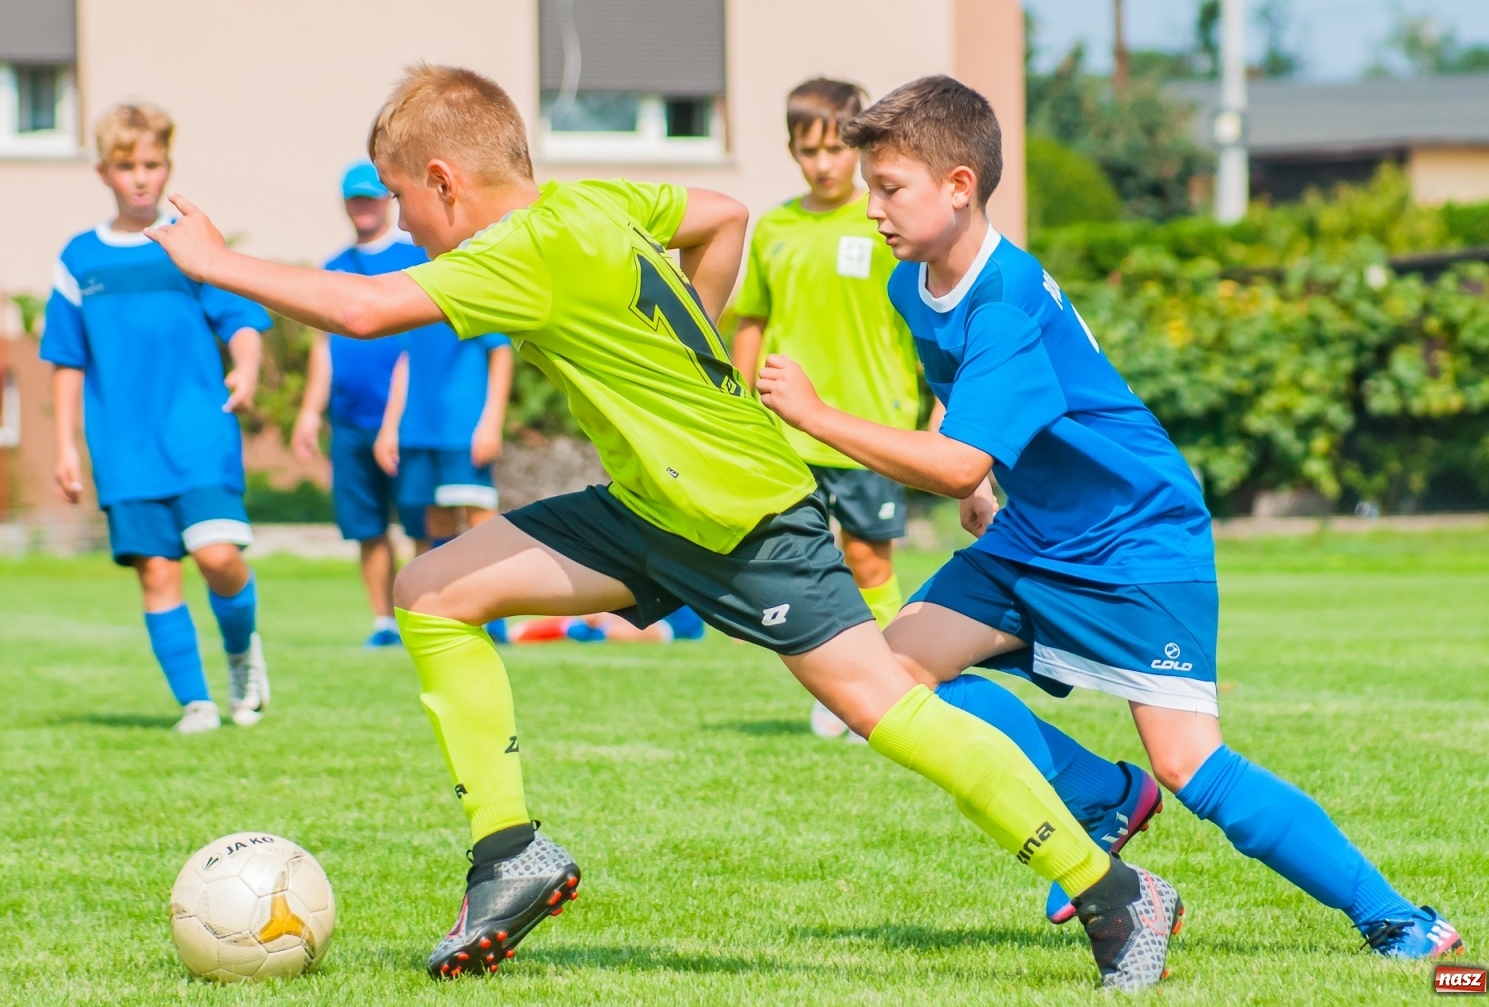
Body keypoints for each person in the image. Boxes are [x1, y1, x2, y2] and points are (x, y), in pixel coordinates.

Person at [147, 64, 1180, 991]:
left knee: (884, 707)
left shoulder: (522, 248)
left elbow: (358, 308)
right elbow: (722, 212)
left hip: (740, 516)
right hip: (647, 506)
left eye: (406, 201)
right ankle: (510, 853)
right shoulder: (593, 203)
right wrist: (688, 371)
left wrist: (212, 261)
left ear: (443, 178)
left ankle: (1112, 890)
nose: (407, 224)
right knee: (432, 591)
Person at [755, 74, 1463, 961]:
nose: (872, 210)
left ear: (960, 186)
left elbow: (958, 457)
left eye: (889, 188)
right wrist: (981, 484)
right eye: (871, 190)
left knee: (1190, 767)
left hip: (1136, 538)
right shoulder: (915, 284)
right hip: (1036, 532)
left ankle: (1398, 919)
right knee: (887, 681)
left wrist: (821, 418)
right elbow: (966, 417)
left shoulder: (1005, 298)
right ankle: (1099, 795)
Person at [42, 103, 271, 733]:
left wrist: (245, 367)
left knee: (220, 556)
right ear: (103, 172)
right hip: (124, 447)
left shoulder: (186, 243)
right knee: (158, 570)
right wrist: (65, 446)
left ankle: (240, 653)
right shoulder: (79, 259)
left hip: (198, 433)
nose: (141, 177)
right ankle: (195, 704)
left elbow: (243, 318)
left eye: (152, 163)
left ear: (168, 165)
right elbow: (65, 360)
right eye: (126, 166)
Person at [730, 78, 920, 740]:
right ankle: (840, 687)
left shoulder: (884, 220)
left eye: (836, 149)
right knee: (804, 569)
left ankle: (895, 683)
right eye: (809, 150)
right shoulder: (775, 227)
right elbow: (750, 318)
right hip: (789, 431)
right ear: (792, 151)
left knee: (869, 563)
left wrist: (935, 406)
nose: (824, 164)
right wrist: (738, 402)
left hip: (871, 425)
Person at [291, 161, 430, 649]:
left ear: (387, 202)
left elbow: (422, 346)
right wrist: (310, 410)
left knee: (419, 522)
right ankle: (383, 621)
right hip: (350, 421)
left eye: (371, 198)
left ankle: (424, 614)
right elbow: (322, 347)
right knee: (367, 527)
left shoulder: (413, 259)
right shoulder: (335, 267)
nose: (363, 208)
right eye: (355, 200)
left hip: (408, 422)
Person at [372, 257, 513, 643]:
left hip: (462, 430)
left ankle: (497, 613)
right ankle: (441, 608)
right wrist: (390, 426)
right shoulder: (414, 284)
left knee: (480, 518)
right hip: (418, 429)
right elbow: (406, 360)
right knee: (434, 523)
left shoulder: (472, 281)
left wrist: (491, 421)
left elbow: (501, 351)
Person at [510, 605, 705, 644]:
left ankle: (564, 627)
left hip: (680, 623)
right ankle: (530, 631)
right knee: (612, 628)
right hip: (647, 613)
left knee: (618, 632)